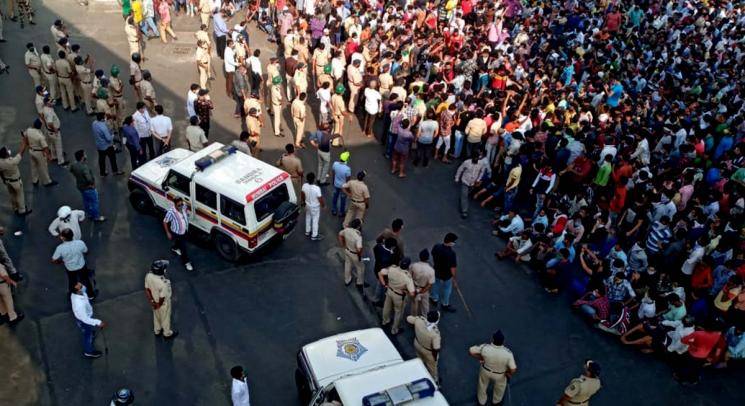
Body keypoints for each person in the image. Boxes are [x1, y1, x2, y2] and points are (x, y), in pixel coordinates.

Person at [468, 330, 517, 406]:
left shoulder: (485, 348)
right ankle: (496, 402)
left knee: (482, 385)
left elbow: (471, 351)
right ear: (503, 341)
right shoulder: (508, 353)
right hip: (500, 374)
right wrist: (509, 373)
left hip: (485, 370)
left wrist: (481, 358)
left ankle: (481, 402)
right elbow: (513, 369)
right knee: (499, 389)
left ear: (493, 339)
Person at [379, 257, 416, 335]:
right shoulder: (407, 277)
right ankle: (394, 329)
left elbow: (380, 273)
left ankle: (385, 321)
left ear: (400, 263)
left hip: (389, 290)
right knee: (398, 312)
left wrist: (384, 284)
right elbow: (412, 293)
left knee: (387, 306)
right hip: (399, 296)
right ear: (408, 266)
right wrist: (406, 291)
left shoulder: (392, 269)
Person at [70, 281, 106, 358]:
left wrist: (82, 287)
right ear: (77, 290)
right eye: (78, 285)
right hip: (84, 320)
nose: (80, 284)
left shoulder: (78, 292)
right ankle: (88, 351)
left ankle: (90, 333)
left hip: (85, 316)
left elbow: (84, 289)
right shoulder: (79, 304)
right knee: (87, 334)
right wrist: (98, 322)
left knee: (88, 330)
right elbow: (85, 319)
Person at [145, 259, 178, 339]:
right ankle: (167, 333)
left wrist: (152, 301)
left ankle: (157, 330)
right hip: (162, 304)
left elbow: (147, 289)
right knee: (165, 318)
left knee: (156, 316)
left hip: (154, 301)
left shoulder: (148, 275)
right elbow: (162, 297)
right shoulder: (164, 283)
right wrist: (158, 305)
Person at [69, 150, 105, 221]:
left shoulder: (74, 165)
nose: (86, 155)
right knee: (94, 201)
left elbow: (71, 170)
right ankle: (96, 216)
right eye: (84, 154)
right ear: (82, 157)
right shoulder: (84, 167)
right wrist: (92, 184)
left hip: (80, 186)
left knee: (86, 200)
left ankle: (89, 213)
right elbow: (89, 179)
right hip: (88, 187)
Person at [406, 310, 441, 382]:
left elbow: (408, 319)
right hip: (428, 351)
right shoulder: (435, 334)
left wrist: (418, 318)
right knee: (432, 368)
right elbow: (436, 348)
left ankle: (420, 372)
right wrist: (435, 358)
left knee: (420, 360)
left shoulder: (419, 320)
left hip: (417, 344)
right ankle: (434, 380)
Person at [162, 197, 194, 271]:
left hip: (184, 230)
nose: (181, 206)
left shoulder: (184, 206)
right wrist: (167, 232)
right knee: (183, 248)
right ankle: (186, 262)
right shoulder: (171, 212)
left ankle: (175, 248)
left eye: (181, 204)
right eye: (179, 205)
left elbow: (186, 207)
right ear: (175, 205)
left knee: (178, 242)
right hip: (176, 232)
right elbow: (165, 221)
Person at [23, 119, 57, 187]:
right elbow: (45, 147)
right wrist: (49, 157)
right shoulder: (40, 136)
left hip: (31, 151)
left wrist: (28, 145)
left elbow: (24, 136)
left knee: (33, 166)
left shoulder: (29, 130)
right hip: (39, 153)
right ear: (40, 127)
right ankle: (47, 181)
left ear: (33, 124)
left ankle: (35, 180)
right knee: (43, 167)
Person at [430, 233, 458, 313]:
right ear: (450, 242)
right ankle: (445, 304)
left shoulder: (437, 246)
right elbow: (453, 267)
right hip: (447, 274)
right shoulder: (452, 254)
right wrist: (454, 279)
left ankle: (434, 298)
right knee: (447, 288)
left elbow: (432, 254)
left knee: (436, 284)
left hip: (437, 270)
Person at [0, 145, 31, 215]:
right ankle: (22, 210)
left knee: (12, 195)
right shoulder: (12, 161)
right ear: (6, 154)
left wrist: (3, 179)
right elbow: (20, 154)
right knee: (20, 195)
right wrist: (24, 144)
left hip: (7, 181)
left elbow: (1, 172)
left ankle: (15, 208)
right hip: (16, 181)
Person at [454, 151, 486, 219]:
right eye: (475, 158)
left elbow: (482, 172)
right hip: (465, 181)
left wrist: (478, 180)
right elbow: (460, 169)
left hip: (473, 184)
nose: (476, 159)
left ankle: (462, 200)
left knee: (466, 195)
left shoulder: (481, 164)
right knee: (465, 196)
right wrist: (457, 178)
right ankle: (464, 211)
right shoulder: (466, 162)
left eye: (477, 158)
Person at [338, 219, 364, 289]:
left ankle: (347, 280)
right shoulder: (358, 237)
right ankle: (359, 282)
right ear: (358, 227)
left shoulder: (346, 230)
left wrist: (343, 245)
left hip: (347, 250)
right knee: (360, 267)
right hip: (354, 253)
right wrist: (359, 255)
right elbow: (359, 249)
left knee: (347, 264)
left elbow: (340, 234)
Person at [410, 249, 435, 317]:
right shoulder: (431, 270)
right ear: (427, 258)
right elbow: (430, 284)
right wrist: (423, 291)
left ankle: (413, 318)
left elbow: (410, 276)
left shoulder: (413, 266)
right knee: (425, 306)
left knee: (414, 305)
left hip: (414, 288)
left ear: (419, 256)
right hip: (424, 289)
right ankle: (425, 318)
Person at [301, 172, 324, 241]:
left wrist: (303, 202)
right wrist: (323, 205)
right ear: (313, 179)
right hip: (315, 207)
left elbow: (302, 194)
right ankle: (314, 235)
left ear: (307, 179)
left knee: (308, 217)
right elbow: (320, 199)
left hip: (307, 205)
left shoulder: (304, 186)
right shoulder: (317, 188)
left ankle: (307, 231)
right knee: (315, 220)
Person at [331, 151, 351, 216]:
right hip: (343, 187)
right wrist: (348, 189)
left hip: (336, 184)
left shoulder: (335, 164)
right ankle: (341, 212)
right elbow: (348, 180)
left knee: (335, 197)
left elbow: (333, 173)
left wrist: (333, 181)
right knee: (343, 200)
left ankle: (334, 209)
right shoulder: (347, 169)